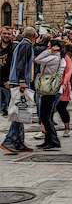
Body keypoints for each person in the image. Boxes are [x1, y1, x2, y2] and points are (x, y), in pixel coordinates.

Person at [1, 25, 36, 154]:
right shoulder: (26, 45)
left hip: (16, 81)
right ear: (34, 37)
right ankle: (9, 139)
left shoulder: (21, 44)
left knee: (22, 112)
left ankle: (18, 141)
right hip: (19, 83)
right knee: (19, 112)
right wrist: (22, 81)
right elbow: (21, 64)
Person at [34, 39, 67, 151]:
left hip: (50, 89)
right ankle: (48, 140)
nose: (47, 48)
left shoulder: (54, 58)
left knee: (45, 116)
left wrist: (49, 51)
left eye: (49, 46)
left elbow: (37, 60)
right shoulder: (61, 58)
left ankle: (53, 140)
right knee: (47, 116)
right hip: (54, 90)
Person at [54, 45, 72, 138]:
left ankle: (67, 128)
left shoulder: (66, 59)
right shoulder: (52, 57)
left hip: (63, 85)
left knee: (61, 108)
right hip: (53, 85)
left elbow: (68, 72)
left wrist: (65, 83)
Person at [0, 26, 15, 117]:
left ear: (12, 35)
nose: (6, 35)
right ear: (0, 34)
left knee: (12, 112)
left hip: (8, 83)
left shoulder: (15, 48)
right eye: (4, 33)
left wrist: (12, 80)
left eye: (9, 34)